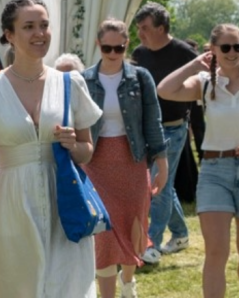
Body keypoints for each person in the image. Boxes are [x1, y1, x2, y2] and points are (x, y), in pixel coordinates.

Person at [0, 0, 103, 297]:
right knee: (17, 287)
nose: (40, 33)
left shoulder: (70, 83)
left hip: (64, 202)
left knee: (68, 287)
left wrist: (73, 145)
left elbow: (87, 151)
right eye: (29, 26)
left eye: (44, 25)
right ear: (9, 35)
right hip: (11, 202)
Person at [157, 23, 239, 298]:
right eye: (225, 47)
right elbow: (165, 89)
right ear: (213, 49)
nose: (232, 52)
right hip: (215, 172)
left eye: (238, 46)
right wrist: (195, 64)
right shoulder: (205, 81)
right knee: (216, 252)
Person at [82, 19, 168, 298]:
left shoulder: (140, 77)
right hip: (96, 162)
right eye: (107, 48)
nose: (113, 53)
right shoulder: (84, 79)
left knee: (134, 226)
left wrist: (162, 162)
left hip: (133, 160)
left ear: (127, 44)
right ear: (98, 45)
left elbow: (153, 121)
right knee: (104, 232)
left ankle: (128, 283)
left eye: (118, 48)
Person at [132, 2, 197, 264]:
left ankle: (152, 244)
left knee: (158, 185)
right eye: (138, 28)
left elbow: (202, 85)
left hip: (174, 128)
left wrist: (198, 129)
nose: (140, 33)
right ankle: (180, 234)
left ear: (161, 28)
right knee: (163, 184)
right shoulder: (139, 53)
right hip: (146, 128)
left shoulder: (185, 53)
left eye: (145, 28)